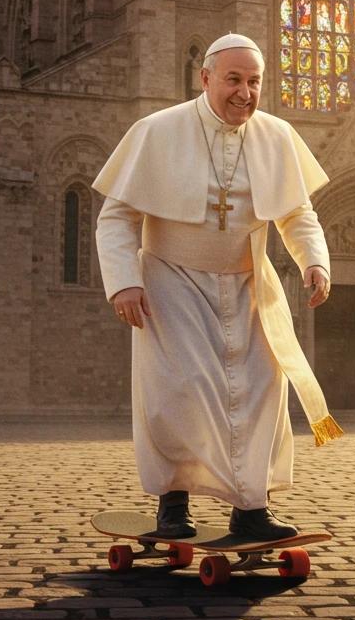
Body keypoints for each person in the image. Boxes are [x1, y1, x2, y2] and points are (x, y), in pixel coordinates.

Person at [94, 32, 342, 542]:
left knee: (260, 393)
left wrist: (315, 261)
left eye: (254, 82)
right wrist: (123, 283)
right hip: (171, 280)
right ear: (204, 77)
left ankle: (251, 509)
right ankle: (173, 503)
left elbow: (298, 214)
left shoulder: (276, 136)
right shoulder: (158, 130)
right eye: (233, 79)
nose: (244, 93)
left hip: (250, 281)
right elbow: (116, 216)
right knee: (181, 393)